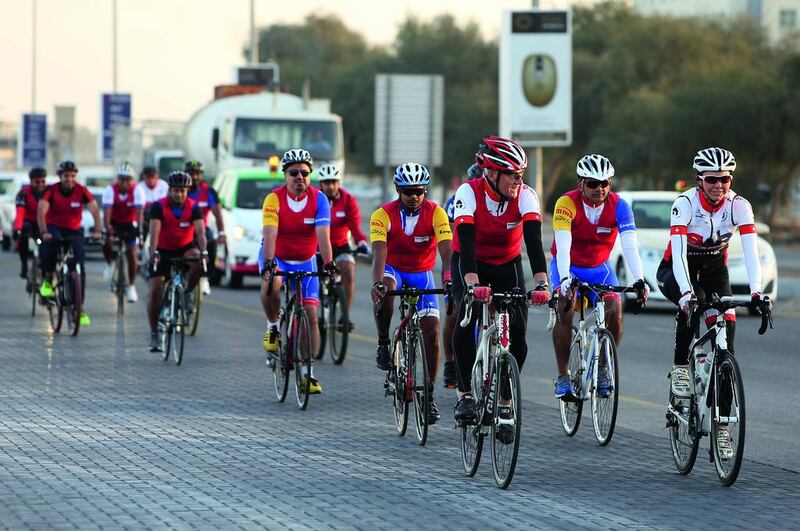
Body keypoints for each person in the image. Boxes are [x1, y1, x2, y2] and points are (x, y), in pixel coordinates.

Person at [450, 136, 550, 440]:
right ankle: (465, 394)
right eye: (513, 175)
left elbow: (533, 242)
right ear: (491, 173)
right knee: (465, 322)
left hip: (508, 264)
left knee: (518, 335)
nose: (518, 181)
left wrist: (542, 283)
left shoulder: (526, 196)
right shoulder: (468, 192)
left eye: (521, 174)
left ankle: (505, 402)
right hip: (470, 263)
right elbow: (465, 240)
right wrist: (472, 283)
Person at [550, 154, 649, 399]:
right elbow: (563, 247)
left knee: (615, 308)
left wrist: (639, 279)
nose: (600, 188)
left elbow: (629, 246)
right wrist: (564, 280)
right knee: (565, 307)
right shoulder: (566, 203)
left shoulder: (620, 205)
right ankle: (563, 375)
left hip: (599, 268)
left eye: (605, 183)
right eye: (593, 183)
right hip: (569, 266)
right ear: (580, 183)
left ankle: (604, 367)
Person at [370, 162, 452, 424]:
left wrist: (449, 278)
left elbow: (447, 250)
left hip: (422, 273)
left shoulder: (436, 213)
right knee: (388, 289)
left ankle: (427, 395)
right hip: (393, 268)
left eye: (419, 191)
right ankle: (384, 342)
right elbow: (379, 253)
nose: (414, 196)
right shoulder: (382, 215)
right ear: (397, 190)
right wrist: (377, 284)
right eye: (408, 192)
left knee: (432, 332)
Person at [260, 149, 335, 395]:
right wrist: (270, 261)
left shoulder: (320, 199)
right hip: (278, 256)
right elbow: (270, 233)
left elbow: (323, 235)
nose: (299, 177)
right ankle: (272, 327)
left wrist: (329, 262)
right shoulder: (274, 199)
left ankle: (308, 373)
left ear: (310, 175)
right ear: (285, 175)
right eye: (294, 173)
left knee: (311, 314)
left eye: (304, 172)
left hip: (305, 260)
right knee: (273, 283)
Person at [146, 171, 208, 351]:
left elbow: (201, 233)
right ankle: (154, 333)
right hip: (162, 250)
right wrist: (154, 252)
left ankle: (187, 292)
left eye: (182, 191)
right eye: (175, 191)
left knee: (198, 260)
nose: (179, 194)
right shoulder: (159, 206)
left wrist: (203, 250)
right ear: (169, 191)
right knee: (156, 289)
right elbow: (154, 233)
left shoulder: (194, 207)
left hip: (184, 248)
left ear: (187, 191)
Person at [37, 161, 101, 326]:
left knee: (80, 266)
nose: (70, 179)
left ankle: (79, 307)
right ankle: (48, 279)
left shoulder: (82, 190)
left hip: (73, 230)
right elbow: (41, 210)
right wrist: (44, 232)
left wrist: (98, 230)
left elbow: (94, 209)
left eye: (73, 176)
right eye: (66, 176)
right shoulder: (51, 190)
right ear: (60, 177)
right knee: (52, 243)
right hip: (54, 227)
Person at [440, 162, 483, 389]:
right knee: (455, 312)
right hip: (459, 259)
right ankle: (450, 363)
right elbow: (446, 240)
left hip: (484, 260)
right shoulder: (456, 201)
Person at [317, 163, 370, 330]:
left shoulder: (348, 200)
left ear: (339, 183)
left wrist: (361, 242)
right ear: (321, 184)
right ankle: (314, 309)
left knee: (348, 270)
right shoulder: (315, 199)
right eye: (327, 183)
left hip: (341, 246)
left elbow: (354, 226)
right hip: (317, 248)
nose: (331, 186)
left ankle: (344, 316)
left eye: (334, 182)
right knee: (312, 277)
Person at [102, 162, 145, 302]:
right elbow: (107, 212)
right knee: (107, 240)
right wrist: (107, 228)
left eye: (128, 179)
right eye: (122, 179)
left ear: (131, 180)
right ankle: (110, 264)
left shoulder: (137, 190)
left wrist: (140, 230)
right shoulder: (110, 190)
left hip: (129, 223)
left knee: (132, 252)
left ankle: (131, 286)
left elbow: (139, 213)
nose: (125, 183)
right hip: (114, 222)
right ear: (117, 179)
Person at [185, 160, 226, 295]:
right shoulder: (181, 190)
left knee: (212, 244)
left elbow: (218, 214)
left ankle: (205, 277)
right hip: (183, 229)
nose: (195, 177)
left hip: (202, 229)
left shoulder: (209, 191)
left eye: (198, 174)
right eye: (191, 174)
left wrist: (221, 232)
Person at [13, 167, 48, 279]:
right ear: (31, 181)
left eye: (43, 181)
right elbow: (20, 213)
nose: (40, 185)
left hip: (43, 223)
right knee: (23, 232)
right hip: (29, 222)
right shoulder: (23, 193)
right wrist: (17, 229)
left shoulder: (49, 192)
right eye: (37, 182)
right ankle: (24, 265)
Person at [140, 166, 168, 242]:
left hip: (160, 215)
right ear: (144, 177)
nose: (151, 179)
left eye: (153, 176)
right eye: (148, 177)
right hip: (145, 216)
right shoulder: (139, 187)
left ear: (157, 176)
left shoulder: (164, 185)